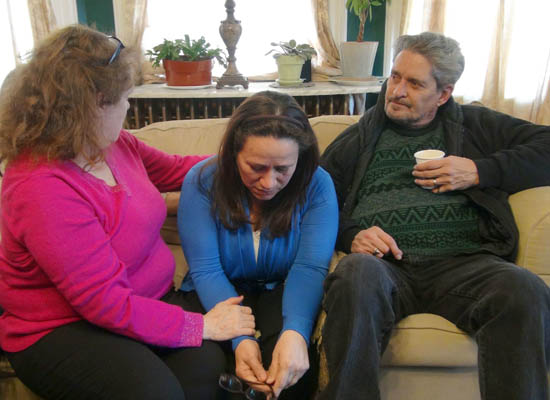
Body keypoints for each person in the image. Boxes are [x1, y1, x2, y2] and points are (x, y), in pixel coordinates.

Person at [0, 25, 256, 400]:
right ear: (93, 105)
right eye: (124, 98)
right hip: (61, 328)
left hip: (146, 303)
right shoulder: (40, 187)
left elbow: (179, 169)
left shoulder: (113, 143)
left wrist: (247, 159)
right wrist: (201, 325)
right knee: (154, 392)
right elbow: (106, 304)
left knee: (206, 370)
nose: (129, 107)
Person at [319, 31, 550, 400]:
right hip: (385, 267)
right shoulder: (361, 137)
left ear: (443, 94)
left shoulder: (474, 125)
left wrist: (479, 170)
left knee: (524, 289)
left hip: (464, 265)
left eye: (414, 83)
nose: (396, 91)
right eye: (395, 77)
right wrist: (351, 234)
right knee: (354, 274)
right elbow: (315, 198)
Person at [177, 91, 339, 399]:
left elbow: (309, 267)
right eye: (256, 167)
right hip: (215, 290)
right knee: (206, 373)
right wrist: (241, 338)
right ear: (233, 154)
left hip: (285, 289)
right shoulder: (201, 180)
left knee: (291, 373)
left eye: (282, 169)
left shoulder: (318, 184)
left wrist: (296, 332)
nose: (268, 182)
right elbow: (206, 269)